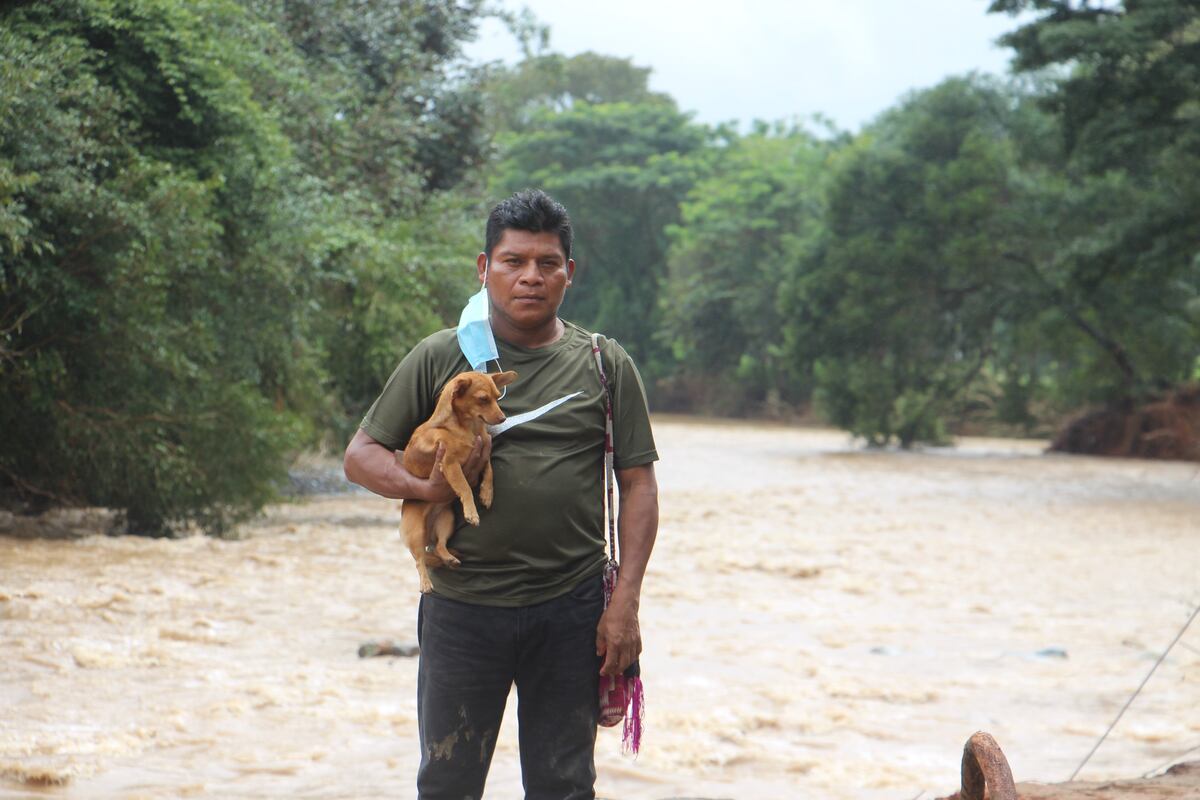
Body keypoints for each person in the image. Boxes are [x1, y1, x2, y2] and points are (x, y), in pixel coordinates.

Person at [343, 188, 660, 800]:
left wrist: (624, 604)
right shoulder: (443, 356)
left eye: (547, 263)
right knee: (448, 782)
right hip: (462, 607)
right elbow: (360, 457)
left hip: (570, 610)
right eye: (513, 262)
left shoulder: (603, 363)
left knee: (564, 786)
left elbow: (639, 483)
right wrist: (423, 485)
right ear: (485, 269)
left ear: (570, 272)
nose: (530, 277)